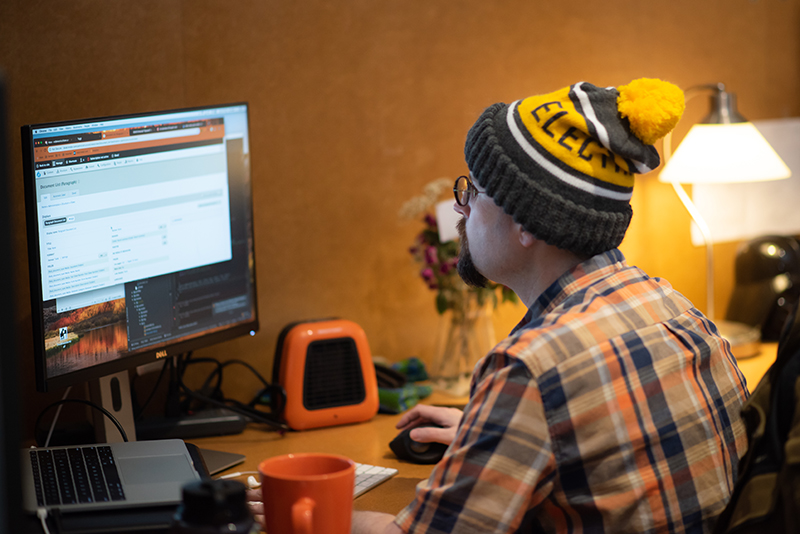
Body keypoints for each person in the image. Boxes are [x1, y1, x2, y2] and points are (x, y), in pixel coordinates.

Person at [351, 78, 749, 533]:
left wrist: (315, 512)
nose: (460, 209)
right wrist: (494, 436)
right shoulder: (678, 310)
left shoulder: (531, 369)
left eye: (474, 191)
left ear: (526, 224)